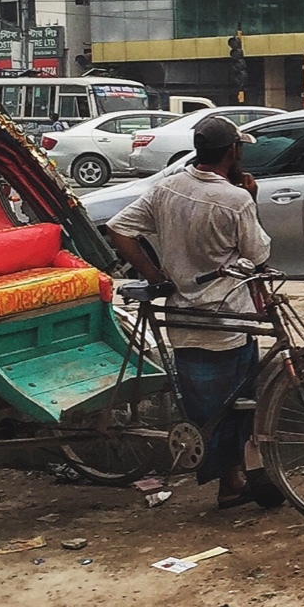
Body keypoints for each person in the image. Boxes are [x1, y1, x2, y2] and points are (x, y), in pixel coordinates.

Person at [103, 116, 285, 511]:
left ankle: (232, 480)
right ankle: (232, 482)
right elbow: (258, 254)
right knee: (232, 409)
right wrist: (251, 201)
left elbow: (119, 229)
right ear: (232, 152)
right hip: (230, 320)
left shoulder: (167, 188)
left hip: (185, 321)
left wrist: (155, 275)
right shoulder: (235, 199)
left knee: (213, 411)